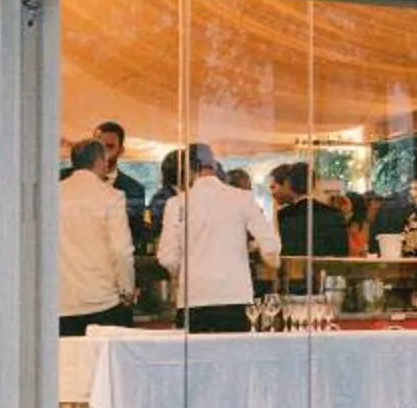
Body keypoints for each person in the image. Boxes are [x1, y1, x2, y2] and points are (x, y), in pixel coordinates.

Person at [156, 142, 278, 332]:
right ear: (214, 166)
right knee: (232, 360)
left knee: (195, 361)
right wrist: (271, 260)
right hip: (235, 296)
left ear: (188, 168)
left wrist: (183, 273)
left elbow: (167, 257)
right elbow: (270, 245)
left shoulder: (176, 204)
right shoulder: (242, 198)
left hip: (193, 297)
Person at [58, 139, 136, 336]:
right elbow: (121, 250)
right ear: (101, 161)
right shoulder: (112, 196)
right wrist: (127, 290)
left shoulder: (53, 195)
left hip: (61, 301)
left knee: (66, 365)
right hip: (103, 301)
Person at [269, 162, 351, 297]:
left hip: (295, 282)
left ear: (289, 184)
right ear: (314, 183)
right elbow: (342, 252)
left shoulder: (285, 215)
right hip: (327, 282)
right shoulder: (334, 214)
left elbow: (282, 250)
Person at [93, 119, 150, 249]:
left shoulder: (135, 189)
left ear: (121, 150)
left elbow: (135, 235)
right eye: (97, 146)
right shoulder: (70, 181)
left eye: (109, 146)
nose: (103, 152)